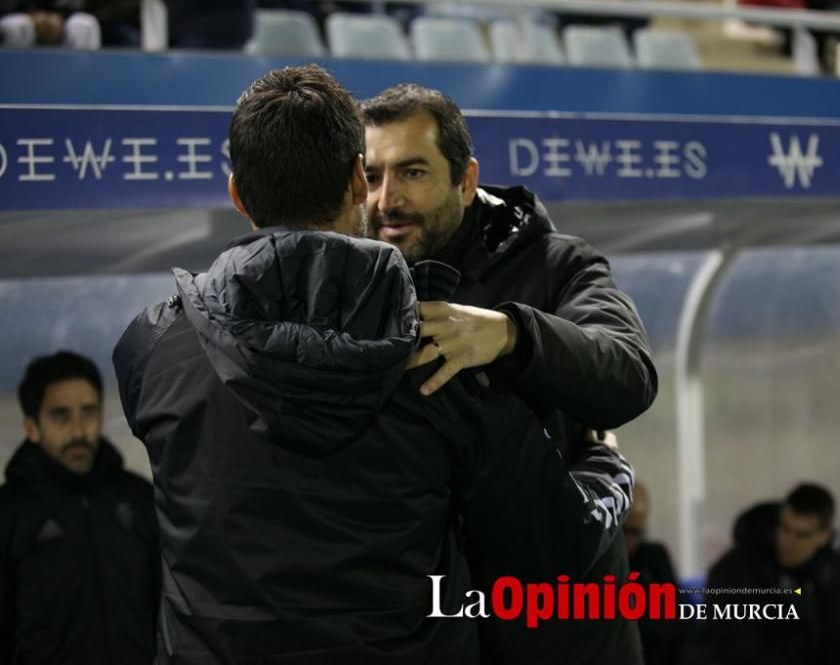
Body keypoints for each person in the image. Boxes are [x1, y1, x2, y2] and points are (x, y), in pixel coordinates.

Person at [113, 64, 635, 664]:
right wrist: (605, 467)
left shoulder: (150, 349)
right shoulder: (439, 356)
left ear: (235, 194)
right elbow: (556, 547)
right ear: (360, 183)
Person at [361, 83, 658, 665]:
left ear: (466, 180)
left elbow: (628, 373)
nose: (386, 200)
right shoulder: (359, 281)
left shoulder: (557, 264)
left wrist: (513, 334)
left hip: (560, 637)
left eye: (413, 172)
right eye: (373, 176)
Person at [0, 351, 159, 664]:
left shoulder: (140, 500)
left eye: (88, 412)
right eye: (60, 415)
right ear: (32, 427)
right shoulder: (7, 517)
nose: (77, 431)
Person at [696, 483, 840, 665]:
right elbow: (737, 648)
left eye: (802, 535)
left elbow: (839, 643)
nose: (789, 542)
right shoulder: (735, 572)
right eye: (785, 529)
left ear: (824, 537)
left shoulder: (831, 573)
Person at [626, 480, 683, 665]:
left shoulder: (654, 559)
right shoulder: (594, 568)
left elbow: (675, 623)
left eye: (636, 532)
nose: (629, 539)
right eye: (624, 531)